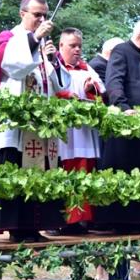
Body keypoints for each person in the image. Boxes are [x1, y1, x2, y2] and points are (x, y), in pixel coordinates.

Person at [0, 0, 70, 243]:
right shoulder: (9, 38)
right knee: (16, 171)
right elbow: (12, 66)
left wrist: (53, 60)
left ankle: (35, 227)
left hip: (41, 124)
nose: (42, 19)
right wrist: (35, 38)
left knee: (41, 173)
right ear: (23, 14)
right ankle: (17, 228)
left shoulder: (43, 44)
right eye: (37, 15)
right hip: (16, 126)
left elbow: (60, 84)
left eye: (44, 15)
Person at [96, 17, 140, 232]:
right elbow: (114, 82)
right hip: (127, 124)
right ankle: (120, 221)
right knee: (125, 169)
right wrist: (123, 107)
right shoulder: (121, 51)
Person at [48, 28, 104, 237]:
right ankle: (57, 220)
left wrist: (91, 88)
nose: (77, 50)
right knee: (59, 172)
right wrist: (64, 95)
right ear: (61, 46)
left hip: (82, 133)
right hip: (61, 132)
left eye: (79, 46)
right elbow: (47, 90)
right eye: (72, 45)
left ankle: (79, 220)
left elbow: (100, 94)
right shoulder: (53, 65)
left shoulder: (87, 68)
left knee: (82, 173)